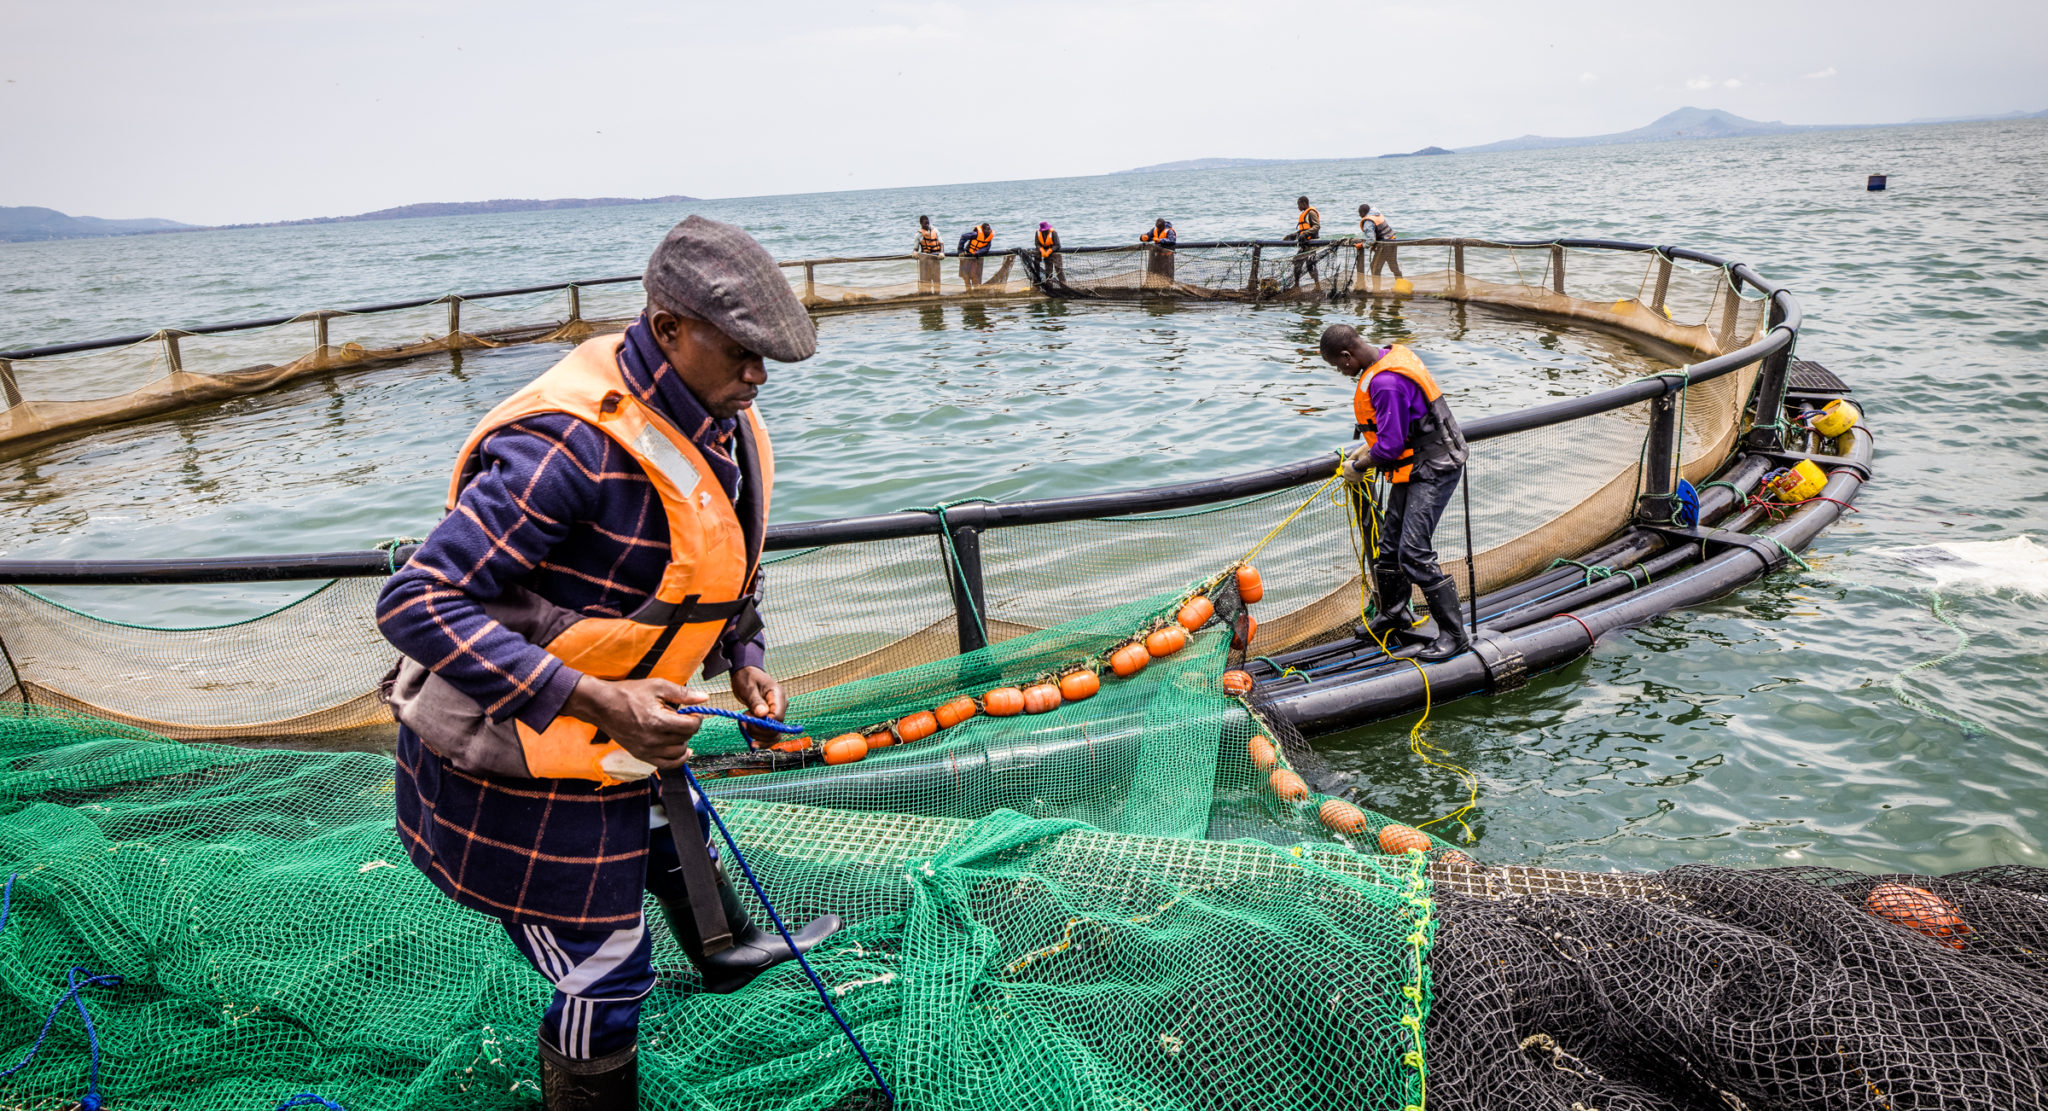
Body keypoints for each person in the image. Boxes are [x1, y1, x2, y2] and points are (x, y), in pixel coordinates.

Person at [377, 216, 839, 1109]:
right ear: (667, 327)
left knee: (677, 830)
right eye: (742, 351)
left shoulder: (719, 415)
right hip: (513, 752)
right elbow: (415, 601)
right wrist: (592, 696)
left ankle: (723, 950)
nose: (760, 374)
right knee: (606, 971)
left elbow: (717, 555)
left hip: (625, 723)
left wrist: (744, 652)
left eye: (768, 356)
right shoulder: (565, 446)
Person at [1319, 323, 1472, 661]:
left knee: (1414, 552)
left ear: (1347, 355)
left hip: (1435, 467)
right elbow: (1393, 436)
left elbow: (1388, 450)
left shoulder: (1386, 382)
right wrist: (1364, 451)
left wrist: (1357, 468)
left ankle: (1454, 634)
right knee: (1389, 548)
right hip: (1413, 465)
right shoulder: (1386, 356)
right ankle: (1394, 614)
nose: (1341, 372)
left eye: (1337, 365)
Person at [1285, 195, 1323, 289]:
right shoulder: (1305, 214)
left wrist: (1305, 233)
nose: (1298, 207)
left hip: (1311, 244)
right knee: (1297, 262)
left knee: (1311, 265)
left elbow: (1317, 226)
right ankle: (1297, 285)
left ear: (1304, 203)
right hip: (1304, 244)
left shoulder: (1311, 213)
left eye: (1298, 205)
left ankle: (1317, 286)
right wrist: (1293, 235)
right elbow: (1303, 229)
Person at [1359, 203, 1402, 280]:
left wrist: (1362, 245)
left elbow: (1371, 240)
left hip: (1384, 245)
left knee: (1375, 267)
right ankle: (1401, 286)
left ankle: (1376, 290)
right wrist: (1374, 245)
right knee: (1393, 266)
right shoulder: (1376, 215)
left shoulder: (1368, 222)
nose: (1359, 216)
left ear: (1362, 213)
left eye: (1359, 214)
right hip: (1392, 241)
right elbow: (1379, 232)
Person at [1139, 218, 1177, 283]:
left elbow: (1172, 241)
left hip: (1167, 257)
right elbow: (1148, 236)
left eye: (1160, 228)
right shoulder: (1154, 229)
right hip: (1157, 256)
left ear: (1163, 226)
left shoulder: (1169, 231)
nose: (1158, 229)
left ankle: (1168, 287)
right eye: (1157, 227)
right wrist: (1143, 237)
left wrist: (1160, 240)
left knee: (1167, 275)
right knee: (1155, 274)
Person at [958, 222, 993, 288]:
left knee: (975, 274)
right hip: (968, 255)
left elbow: (987, 248)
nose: (989, 231)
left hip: (977, 257)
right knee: (965, 275)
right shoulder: (975, 234)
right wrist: (961, 251)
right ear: (983, 230)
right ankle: (968, 289)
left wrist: (978, 252)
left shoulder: (989, 238)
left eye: (989, 229)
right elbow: (963, 237)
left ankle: (976, 289)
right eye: (987, 229)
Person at [915, 214, 944, 294]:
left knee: (936, 279)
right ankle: (927, 295)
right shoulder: (918, 235)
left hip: (935, 258)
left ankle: (937, 295)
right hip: (925, 260)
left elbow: (941, 243)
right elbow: (916, 248)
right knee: (925, 280)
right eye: (925, 224)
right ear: (921, 223)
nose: (927, 225)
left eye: (928, 223)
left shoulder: (935, 231)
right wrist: (915, 253)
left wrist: (942, 252)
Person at [1034, 221, 1065, 285]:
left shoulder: (1053, 232)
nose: (1045, 231)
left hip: (1055, 253)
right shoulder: (1037, 233)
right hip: (1045, 253)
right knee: (1048, 270)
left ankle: (1064, 284)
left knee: (1059, 269)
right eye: (1043, 231)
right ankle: (1049, 285)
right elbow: (1037, 244)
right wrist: (1042, 250)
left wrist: (1050, 251)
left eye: (1046, 230)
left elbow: (1057, 245)